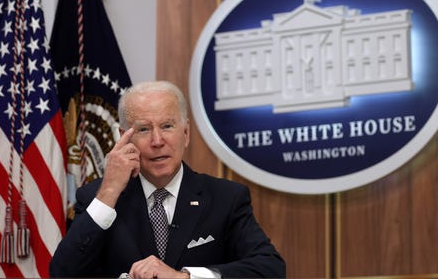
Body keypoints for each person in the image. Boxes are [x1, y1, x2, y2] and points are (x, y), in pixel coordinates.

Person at [49, 81, 286, 278]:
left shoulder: (226, 198)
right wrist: (109, 191)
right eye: (143, 129)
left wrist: (184, 277)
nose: (157, 141)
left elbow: (270, 269)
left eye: (167, 126)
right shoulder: (97, 198)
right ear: (124, 138)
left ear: (186, 133)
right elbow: (62, 273)